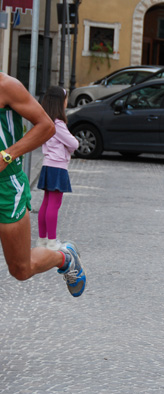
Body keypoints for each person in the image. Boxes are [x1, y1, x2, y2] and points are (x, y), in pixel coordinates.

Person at [0, 73, 86, 297]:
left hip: (6, 186)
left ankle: (64, 257)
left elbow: (46, 126)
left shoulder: (6, 86)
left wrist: (7, 155)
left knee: (21, 269)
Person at [37, 86, 80, 251]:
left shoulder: (46, 121)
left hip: (48, 164)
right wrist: (69, 147)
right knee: (54, 204)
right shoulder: (58, 123)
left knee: (46, 203)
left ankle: (42, 240)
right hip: (58, 167)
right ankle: (52, 241)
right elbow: (74, 143)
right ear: (60, 102)